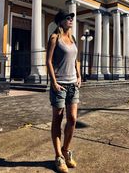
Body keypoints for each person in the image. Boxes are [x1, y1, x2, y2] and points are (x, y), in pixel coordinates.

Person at [46, 10, 81, 173]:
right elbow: (49, 61)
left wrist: (79, 76)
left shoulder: (72, 38)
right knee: (57, 119)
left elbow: (76, 59)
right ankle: (58, 156)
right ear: (60, 21)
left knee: (73, 119)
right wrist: (53, 82)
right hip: (59, 85)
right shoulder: (55, 38)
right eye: (68, 18)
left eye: (72, 18)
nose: (71, 20)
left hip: (73, 85)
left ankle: (66, 150)